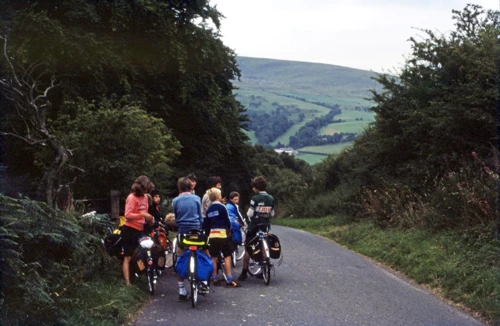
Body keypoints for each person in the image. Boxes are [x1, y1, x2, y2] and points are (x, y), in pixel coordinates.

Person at [172, 176, 204, 301]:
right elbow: (200, 216)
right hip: (196, 230)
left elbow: (176, 216)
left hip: (182, 231)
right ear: (190, 186)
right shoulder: (197, 198)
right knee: (201, 252)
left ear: (179, 187)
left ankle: (181, 290)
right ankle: (204, 281)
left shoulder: (175, 200)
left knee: (180, 257)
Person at [238, 176, 275, 281]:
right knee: (264, 245)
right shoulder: (271, 198)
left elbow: (250, 213)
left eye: (253, 187)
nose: (253, 189)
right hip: (265, 225)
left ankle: (244, 272)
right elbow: (272, 213)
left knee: (248, 247)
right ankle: (264, 267)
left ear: (256, 187)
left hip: (254, 226)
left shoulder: (255, 198)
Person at [122, 176, 154, 285]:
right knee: (128, 256)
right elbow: (128, 215)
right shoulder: (131, 198)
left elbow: (145, 214)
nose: (146, 192)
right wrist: (143, 214)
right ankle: (127, 282)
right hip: (129, 229)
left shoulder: (145, 198)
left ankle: (139, 275)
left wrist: (149, 219)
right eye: (145, 190)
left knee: (141, 254)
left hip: (140, 229)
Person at [206, 187, 241, 287]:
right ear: (218, 196)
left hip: (212, 235)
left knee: (213, 256)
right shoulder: (222, 207)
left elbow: (207, 224)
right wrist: (229, 229)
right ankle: (229, 278)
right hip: (222, 234)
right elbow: (227, 221)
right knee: (227, 255)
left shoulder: (209, 209)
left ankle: (215, 277)